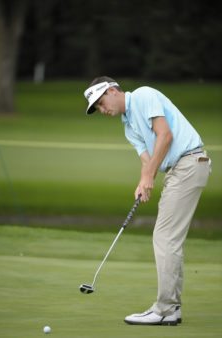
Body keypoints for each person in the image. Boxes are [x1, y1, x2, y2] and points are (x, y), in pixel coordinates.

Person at [83, 76, 211, 326]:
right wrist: (144, 181)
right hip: (179, 170)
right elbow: (147, 159)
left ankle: (165, 309)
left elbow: (165, 136)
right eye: (97, 108)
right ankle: (170, 307)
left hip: (189, 162)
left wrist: (149, 176)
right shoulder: (128, 126)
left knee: (165, 237)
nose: (102, 110)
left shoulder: (143, 95)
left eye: (100, 103)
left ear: (111, 90)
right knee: (167, 237)